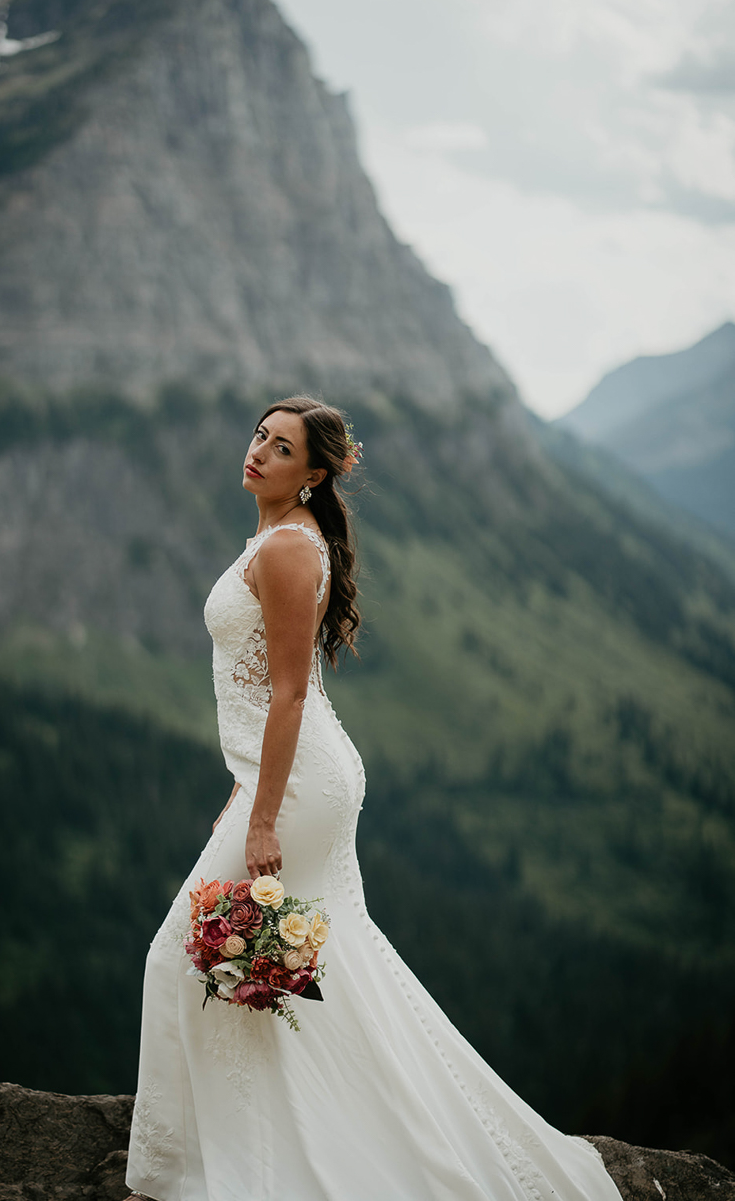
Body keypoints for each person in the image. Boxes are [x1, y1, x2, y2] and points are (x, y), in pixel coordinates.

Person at [124, 395, 623, 1201]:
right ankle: (259, 1150)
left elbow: (288, 694)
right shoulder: (279, 536)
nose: (256, 451)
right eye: (258, 434)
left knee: (187, 954)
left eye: (279, 447)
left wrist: (259, 817)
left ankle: (194, 1169)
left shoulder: (286, 548)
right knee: (286, 963)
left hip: (297, 787)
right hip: (284, 778)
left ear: (313, 473)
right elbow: (269, 693)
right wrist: (242, 792)